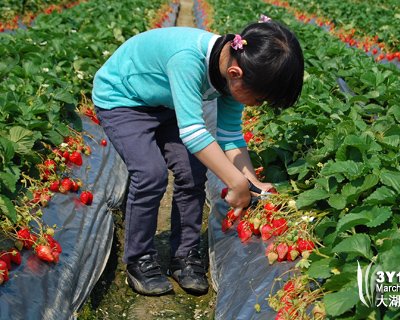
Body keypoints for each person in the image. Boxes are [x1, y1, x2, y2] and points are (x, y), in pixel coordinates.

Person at [91, 18, 304, 296]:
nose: (258, 106)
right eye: (259, 100)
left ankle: (185, 255)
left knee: (193, 171)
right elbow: (193, 133)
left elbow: (230, 135)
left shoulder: (234, 70)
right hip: (123, 101)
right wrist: (235, 183)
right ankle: (139, 259)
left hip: (164, 102)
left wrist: (251, 182)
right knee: (150, 174)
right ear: (235, 72)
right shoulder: (187, 60)